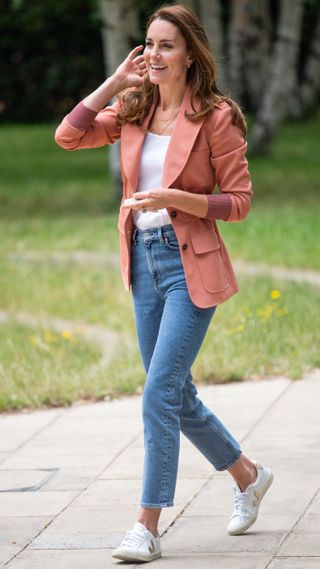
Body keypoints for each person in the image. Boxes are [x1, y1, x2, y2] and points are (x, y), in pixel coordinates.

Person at [55, 4, 273, 563]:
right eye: (147, 43)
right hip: (143, 261)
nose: (153, 54)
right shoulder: (134, 108)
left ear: (190, 54)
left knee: (158, 393)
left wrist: (176, 199)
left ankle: (146, 525)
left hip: (190, 265)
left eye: (166, 45)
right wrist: (114, 82)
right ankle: (248, 476)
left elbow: (240, 202)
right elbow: (67, 136)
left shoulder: (216, 117)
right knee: (174, 394)